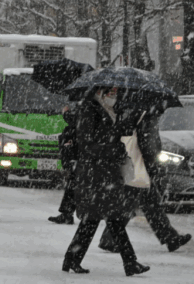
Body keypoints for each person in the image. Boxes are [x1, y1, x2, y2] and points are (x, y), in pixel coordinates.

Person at [61, 87, 149, 276]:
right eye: (111, 92)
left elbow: (113, 134)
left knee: (96, 220)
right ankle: (129, 262)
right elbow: (86, 144)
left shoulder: (109, 110)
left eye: (116, 92)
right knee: (109, 218)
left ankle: (72, 259)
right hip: (95, 173)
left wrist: (132, 120)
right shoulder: (90, 109)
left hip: (106, 173)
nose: (114, 96)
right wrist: (113, 150)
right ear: (101, 92)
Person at [99, 106, 191, 252]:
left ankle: (170, 238)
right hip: (140, 168)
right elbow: (148, 146)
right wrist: (154, 167)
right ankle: (109, 239)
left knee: (150, 204)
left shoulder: (135, 112)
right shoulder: (148, 116)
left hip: (134, 165)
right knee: (131, 205)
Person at [49, 101, 79, 225]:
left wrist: (66, 113)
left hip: (82, 155)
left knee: (74, 186)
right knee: (72, 185)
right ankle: (67, 214)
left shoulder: (92, 105)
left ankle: (68, 214)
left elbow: (78, 122)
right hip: (79, 155)